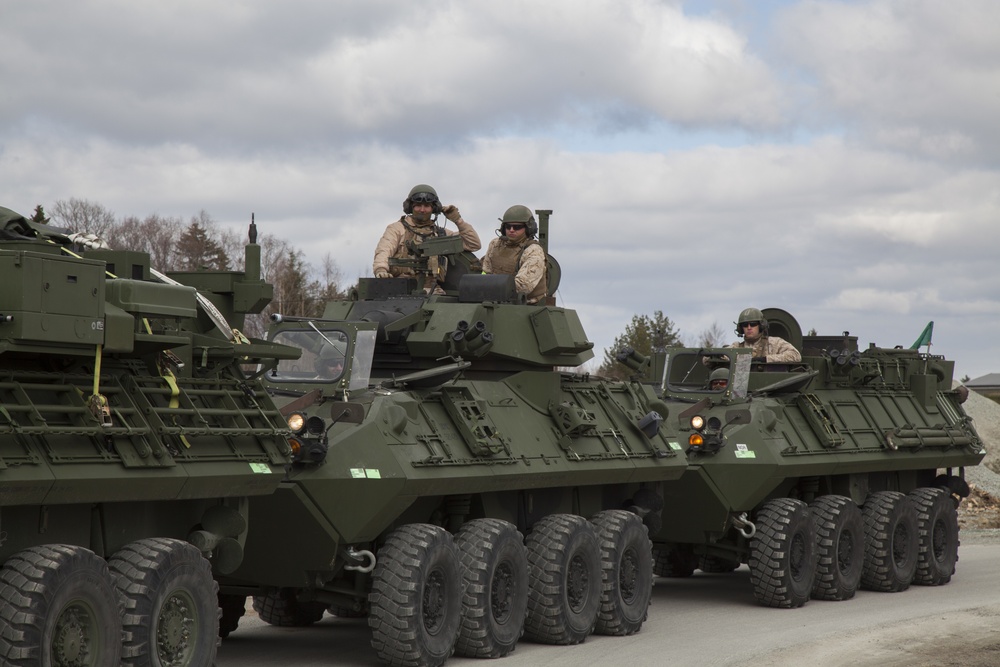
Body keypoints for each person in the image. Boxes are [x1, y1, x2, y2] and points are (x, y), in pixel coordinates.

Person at [372, 184, 481, 291]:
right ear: (410, 207)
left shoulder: (440, 234)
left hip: (433, 290)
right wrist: (381, 269)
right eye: (418, 205)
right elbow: (384, 250)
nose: (422, 210)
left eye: (427, 206)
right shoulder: (397, 229)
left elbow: (473, 244)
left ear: (434, 208)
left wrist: (458, 220)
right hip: (401, 287)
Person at [481, 205, 547, 304]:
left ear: (528, 228)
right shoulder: (495, 245)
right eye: (508, 226)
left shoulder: (533, 251)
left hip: (527, 305)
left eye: (517, 227)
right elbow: (486, 273)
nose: (511, 230)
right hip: (496, 300)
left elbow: (523, 286)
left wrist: (489, 288)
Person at [730, 307, 801, 363]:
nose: (749, 328)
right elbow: (723, 355)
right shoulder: (737, 347)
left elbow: (795, 355)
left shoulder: (774, 343)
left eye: (753, 324)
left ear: (761, 326)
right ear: (741, 328)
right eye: (745, 325)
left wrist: (767, 359)